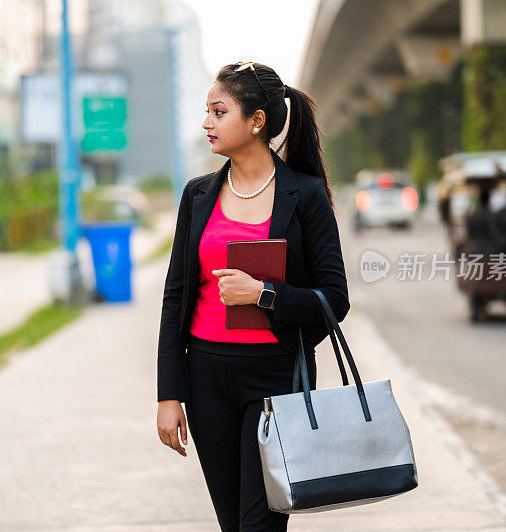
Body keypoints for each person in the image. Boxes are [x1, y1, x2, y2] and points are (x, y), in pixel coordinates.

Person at [156, 61, 350, 531]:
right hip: (205, 378)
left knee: (260, 524)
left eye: (218, 112)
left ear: (257, 121)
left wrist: (264, 294)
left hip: (275, 378)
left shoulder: (304, 196)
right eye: (207, 112)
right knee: (232, 523)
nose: (207, 123)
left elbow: (334, 299)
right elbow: (175, 298)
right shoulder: (198, 195)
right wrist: (169, 394)